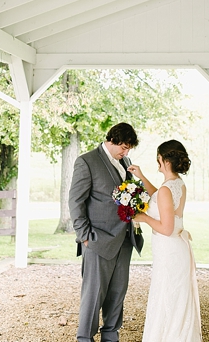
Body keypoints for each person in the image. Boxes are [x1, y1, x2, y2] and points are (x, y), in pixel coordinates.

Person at [69, 122, 144, 342]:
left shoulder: (126, 162)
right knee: (93, 295)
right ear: (111, 140)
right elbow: (75, 202)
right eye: (123, 147)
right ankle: (85, 337)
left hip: (125, 240)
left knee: (117, 294)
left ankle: (111, 335)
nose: (126, 152)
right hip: (97, 241)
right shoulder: (87, 161)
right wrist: (85, 236)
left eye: (129, 148)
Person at [129, 140, 202, 341]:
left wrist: (143, 218)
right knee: (176, 298)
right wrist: (141, 177)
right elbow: (159, 198)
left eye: (159, 159)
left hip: (169, 250)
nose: (157, 163)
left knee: (167, 297)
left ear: (166, 160)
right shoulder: (178, 184)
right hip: (177, 249)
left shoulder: (167, 189)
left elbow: (166, 228)